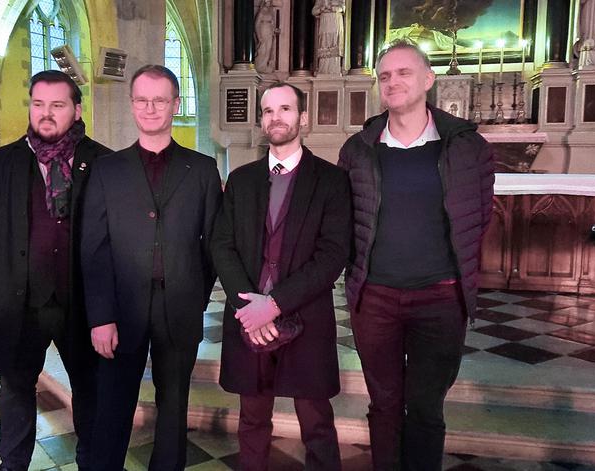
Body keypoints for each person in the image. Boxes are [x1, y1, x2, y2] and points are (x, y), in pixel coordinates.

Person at [338, 40, 495, 470]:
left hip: (441, 297)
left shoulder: (466, 146)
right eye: (385, 76)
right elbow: (347, 218)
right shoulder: (358, 149)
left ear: (428, 79)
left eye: (404, 72)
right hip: (375, 297)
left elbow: (479, 216)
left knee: (426, 406)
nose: (393, 82)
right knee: (384, 403)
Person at [80, 64, 222, 471]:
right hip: (120, 310)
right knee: (113, 404)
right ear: (131, 104)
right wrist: (101, 316)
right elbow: (94, 249)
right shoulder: (107, 170)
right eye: (142, 99)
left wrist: (194, 295)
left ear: (176, 104)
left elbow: (213, 243)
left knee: (174, 406)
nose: (150, 107)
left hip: (179, 307)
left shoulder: (202, 169)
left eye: (160, 100)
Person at [0, 70, 112, 471]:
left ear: (77, 110)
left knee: (90, 387)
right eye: (38, 104)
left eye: (57, 105)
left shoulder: (103, 161)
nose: (46, 113)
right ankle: (13, 464)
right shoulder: (5, 160)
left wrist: (111, 306)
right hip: (19, 299)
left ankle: (93, 462)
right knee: (15, 389)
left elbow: (113, 240)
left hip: (80, 300)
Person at [212, 82, 351, 470]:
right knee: (252, 417)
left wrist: (273, 304)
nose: (276, 117)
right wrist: (249, 308)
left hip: (305, 313)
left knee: (316, 420)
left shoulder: (331, 180)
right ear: (262, 120)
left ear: (302, 118)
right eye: (269, 111)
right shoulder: (242, 179)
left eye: (285, 109)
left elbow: (333, 255)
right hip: (249, 316)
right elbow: (222, 245)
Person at [254, 0, 277, 73]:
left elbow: (273, 23)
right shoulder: (261, 12)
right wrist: (259, 36)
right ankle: (260, 66)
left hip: (269, 31)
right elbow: (257, 24)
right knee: (262, 48)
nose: (269, 3)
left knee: (268, 49)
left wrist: (274, 30)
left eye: (270, 2)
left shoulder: (270, 12)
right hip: (263, 29)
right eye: (268, 2)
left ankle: (265, 66)